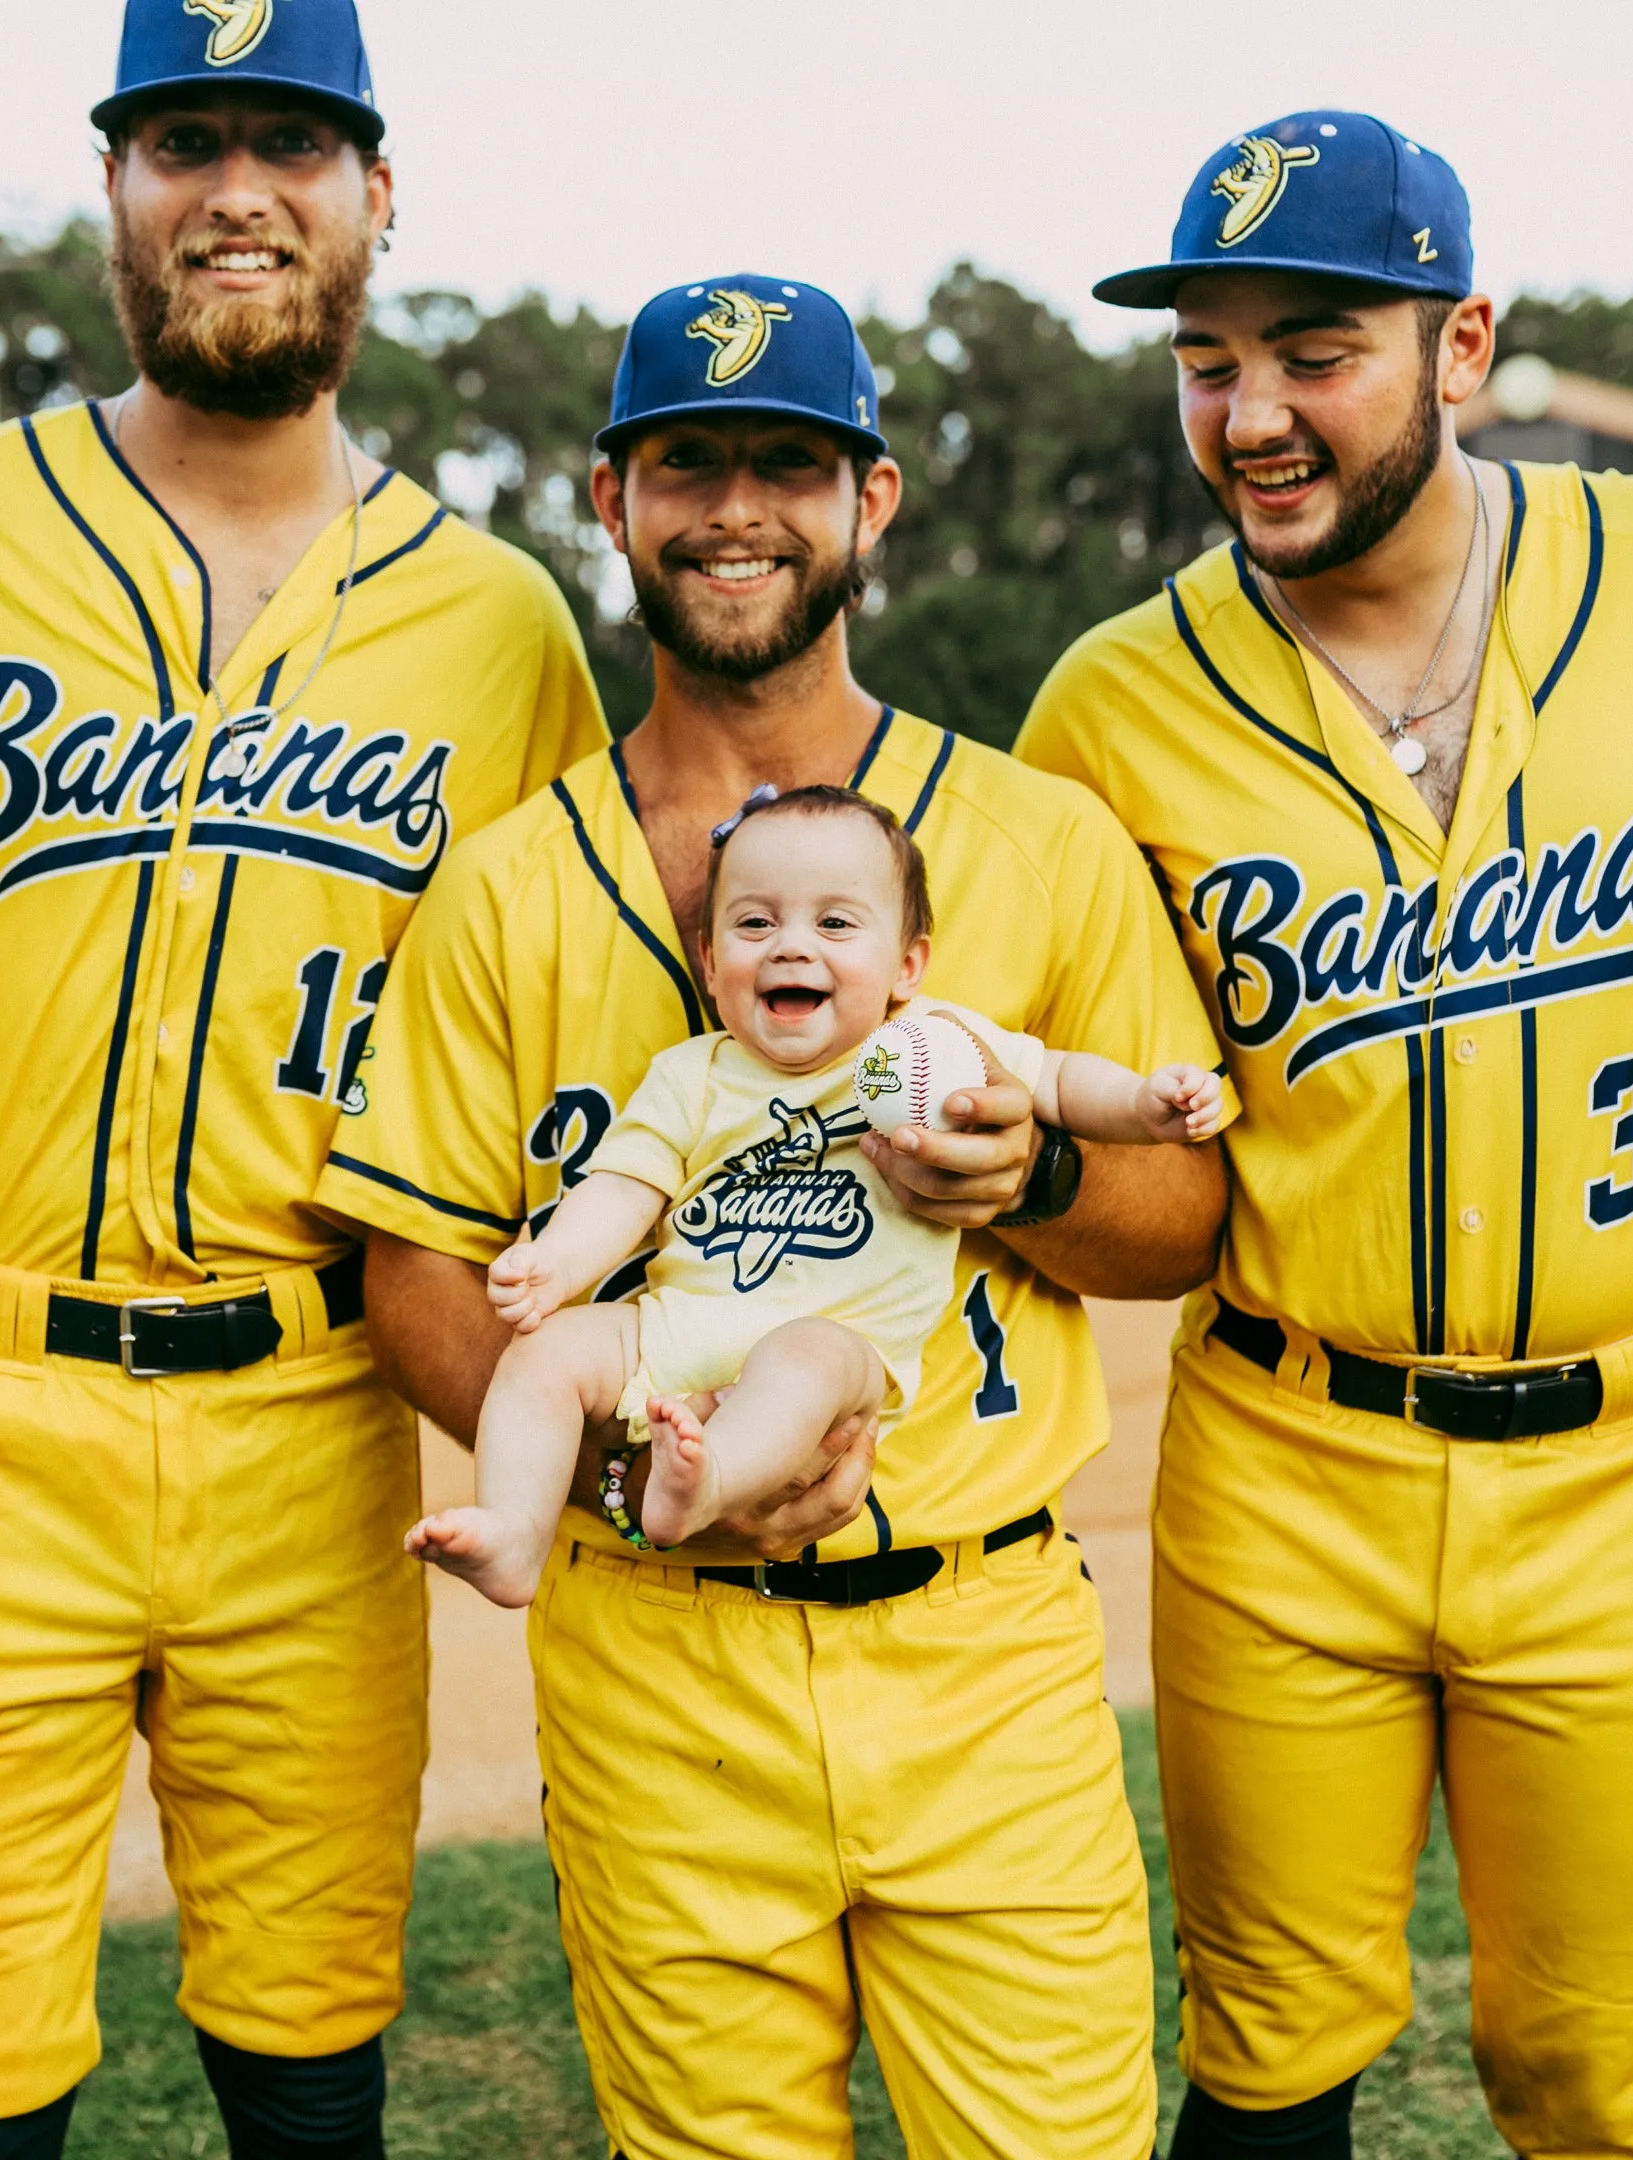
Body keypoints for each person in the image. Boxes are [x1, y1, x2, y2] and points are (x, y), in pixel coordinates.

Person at [0, 4, 606, 2153]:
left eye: (291, 142)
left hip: (315, 1421)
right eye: (183, 138)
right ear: (111, 188)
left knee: (312, 2048)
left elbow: (567, 1023)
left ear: (376, 195)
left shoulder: (500, 626)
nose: (237, 187)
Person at [320, 271, 1228, 2160]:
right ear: (612, 499)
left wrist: (1036, 1172)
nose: (738, 507)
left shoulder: (1035, 835)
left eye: (788, 465)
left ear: (870, 501)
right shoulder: (506, 881)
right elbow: (413, 1265)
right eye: (690, 464)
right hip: (655, 1653)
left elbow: (1186, 1210)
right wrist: (619, 1474)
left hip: (977, 1641)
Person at [1017, 113, 1633, 2160]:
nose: (1250, 411)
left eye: (1314, 347)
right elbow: (1120, 1160)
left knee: (1604, 2087)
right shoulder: (1108, 706)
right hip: (1292, 1458)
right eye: (1206, 358)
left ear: (1462, 344)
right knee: (1266, 2064)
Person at [410, 784, 1225, 1600]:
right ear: (709, 959)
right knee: (544, 1355)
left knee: (802, 1359)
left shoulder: (921, 1050)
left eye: (835, 924)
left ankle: (708, 1476)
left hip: (840, 1341)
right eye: (755, 924)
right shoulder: (694, 1074)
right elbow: (623, 1186)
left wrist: (1145, 1106)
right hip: (678, 1324)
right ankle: (515, 1532)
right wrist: (553, 1263)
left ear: (907, 966)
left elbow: (1058, 1080)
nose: (791, 947)